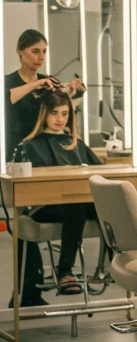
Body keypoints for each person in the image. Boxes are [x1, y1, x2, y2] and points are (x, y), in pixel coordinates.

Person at [13, 90, 100, 304]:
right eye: (54, 113)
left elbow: (99, 174)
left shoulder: (75, 143)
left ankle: (113, 264)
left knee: (109, 205)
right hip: (42, 207)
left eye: (64, 113)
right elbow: (21, 189)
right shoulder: (28, 146)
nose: (60, 119)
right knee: (76, 206)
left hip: (74, 204)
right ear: (44, 114)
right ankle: (64, 272)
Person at [5, 29, 86, 158]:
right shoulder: (7, 82)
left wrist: (72, 91)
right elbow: (6, 98)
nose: (41, 57)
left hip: (44, 149)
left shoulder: (49, 81)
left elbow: (57, 104)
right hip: (15, 148)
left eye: (44, 51)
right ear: (19, 51)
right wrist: (36, 84)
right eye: (35, 51)